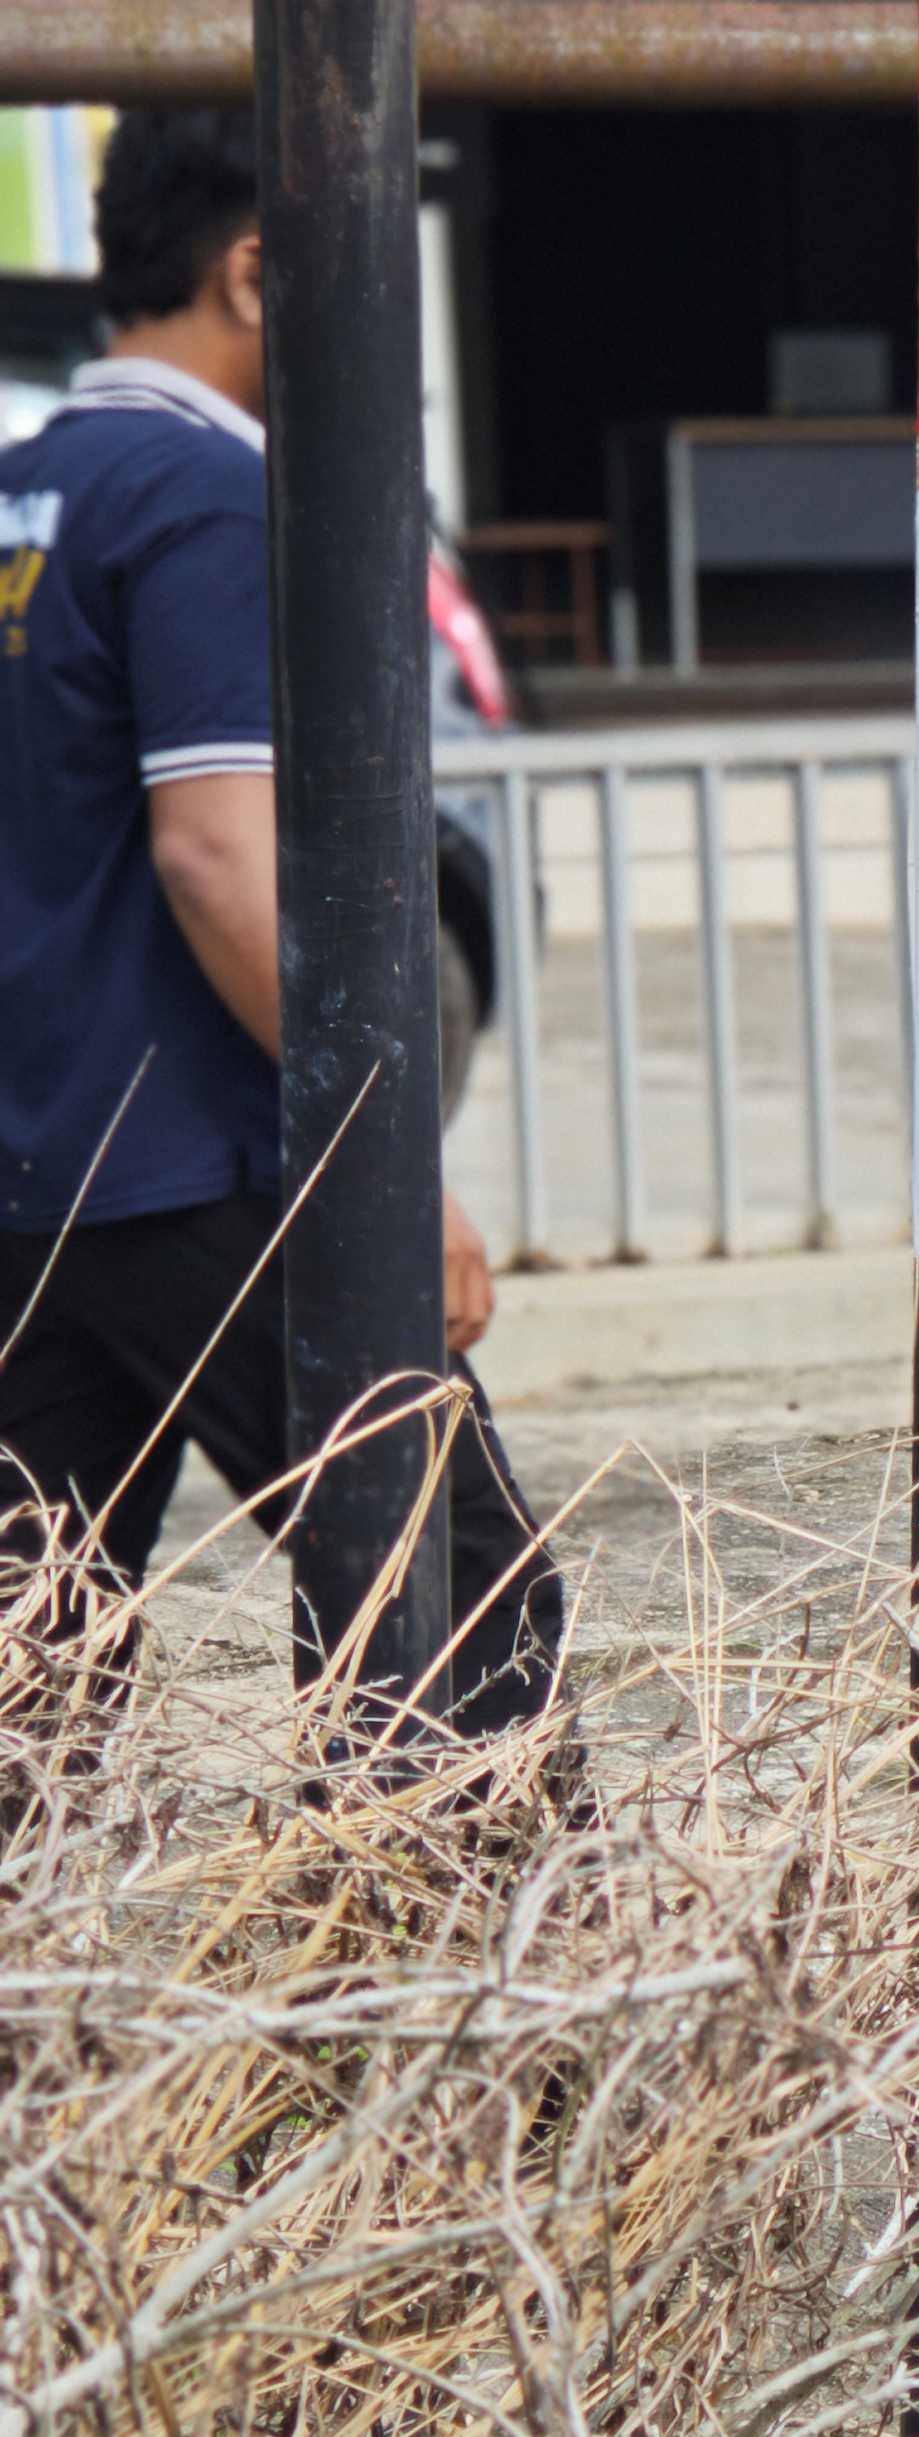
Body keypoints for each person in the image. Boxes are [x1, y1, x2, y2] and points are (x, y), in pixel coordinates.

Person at [0, 110, 559, 1763]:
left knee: (37, 1668)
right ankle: (462, 2003)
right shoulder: (211, 500)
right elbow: (217, 859)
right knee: (461, 1614)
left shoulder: (28, 490)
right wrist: (390, 1167)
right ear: (257, 271)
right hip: (210, 1178)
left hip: (33, 1192)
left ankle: (69, 2020)